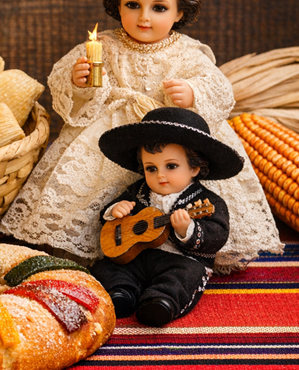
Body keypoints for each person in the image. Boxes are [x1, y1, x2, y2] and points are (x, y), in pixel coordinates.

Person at [0, 0, 281, 273]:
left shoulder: (188, 52)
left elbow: (219, 89)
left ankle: (182, 247)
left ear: (180, 11)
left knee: (179, 193)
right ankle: (103, 243)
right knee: (103, 199)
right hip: (112, 135)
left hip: (173, 138)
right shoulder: (105, 45)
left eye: (158, 7)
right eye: (133, 5)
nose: (144, 17)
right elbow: (73, 98)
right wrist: (82, 82)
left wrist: (193, 92)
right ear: (117, 4)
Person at [92, 107, 243, 326]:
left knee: (187, 274)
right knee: (106, 266)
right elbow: (111, 219)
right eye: (151, 168)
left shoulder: (206, 202)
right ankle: (121, 293)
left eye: (171, 166)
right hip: (137, 257)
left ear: (195, 168)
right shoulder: (139, 191)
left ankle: (161, 302)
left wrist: (187, 229)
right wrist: (117, 210)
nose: (160, 175)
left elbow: (217, 234)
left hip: (179, 259)